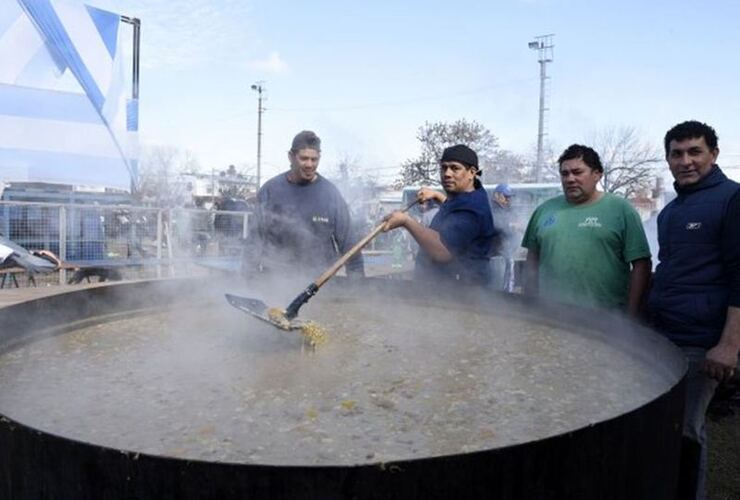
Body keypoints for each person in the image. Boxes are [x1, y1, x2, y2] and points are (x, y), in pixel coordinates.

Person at [646, 121, 740, 500]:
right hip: (664, 334)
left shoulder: (732, 200)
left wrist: (729, 346)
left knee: (685, 430)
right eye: (677, 153)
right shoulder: (672, 211)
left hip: (702, 342)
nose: (685, 161)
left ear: (714, 154)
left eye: (694, 152)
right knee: (661, 425)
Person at [521, 144, 651, 315]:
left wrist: (632, 315)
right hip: (550, 315)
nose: (570, 179)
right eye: (564, 173)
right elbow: (532, 260)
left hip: (606, 319)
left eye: (577, 172)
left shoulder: (621, 210)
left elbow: (641, 264)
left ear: (597, 174)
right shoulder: (544, 210)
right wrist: (528, 306)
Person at [248, 130, 364, 277]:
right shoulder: (270, 190)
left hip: (320, 281)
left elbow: (349, 244)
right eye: (304, 158)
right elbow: (253, 242)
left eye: (314, 159)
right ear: (291, 157)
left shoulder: (330, 193)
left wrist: (358, 285)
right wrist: (248, 281)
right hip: (276, 280)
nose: (309, 164)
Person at [382, 144, 494, 286]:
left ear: (472, 172)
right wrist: (437, 195)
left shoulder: (473, 209)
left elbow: (443, 251)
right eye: (444, 167)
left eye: (455, 168)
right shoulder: (468, 197)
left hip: (460, 295)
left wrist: (406, 221)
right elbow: (455, 212)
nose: (447, 173)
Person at [490, 183, 517, 292]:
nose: (508, 200)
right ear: (497, 195)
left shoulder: (504, 209)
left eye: (509, 197)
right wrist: (511, 225)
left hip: (503, 252)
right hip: (496, 253)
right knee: (499, 283)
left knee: (506, 282)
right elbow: (497, 226)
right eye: (506, 197)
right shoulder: (493, 208)